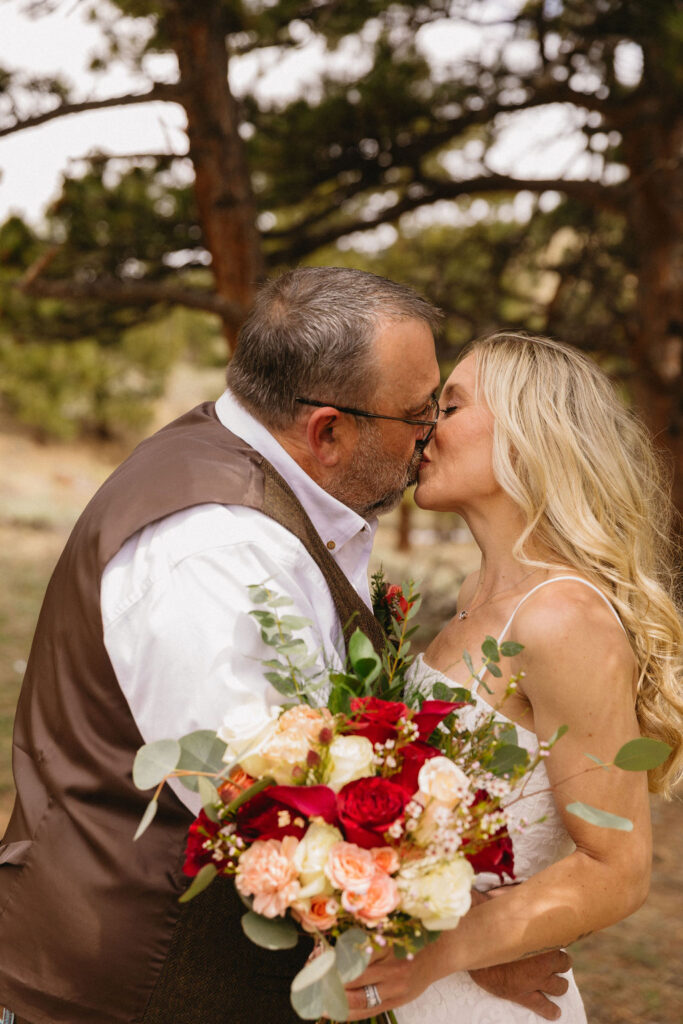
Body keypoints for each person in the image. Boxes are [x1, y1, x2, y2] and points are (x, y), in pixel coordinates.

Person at [0, 274, 569, 1024]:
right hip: (134, 994)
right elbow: (275, 819)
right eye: (416, 412)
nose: (431, 429)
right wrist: (468, 950)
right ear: (327, 431)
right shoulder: (216, 554)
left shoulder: (263, 489)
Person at [344, 331, 683, 1023]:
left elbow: (616, 868)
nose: (424, 429)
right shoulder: (472, 596)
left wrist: (438, 956)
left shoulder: (562, 618)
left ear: (527, 439)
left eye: (451, 406)